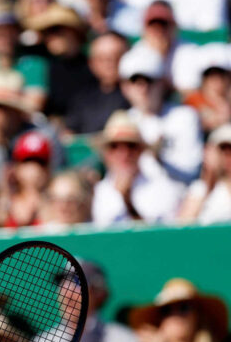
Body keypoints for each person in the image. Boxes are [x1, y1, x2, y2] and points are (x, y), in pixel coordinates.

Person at [119, 46, 203, 184]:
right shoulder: (122, 122)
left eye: (149, 81)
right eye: (135, 82)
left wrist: (158, 158)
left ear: (162, 84)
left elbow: (191, 173)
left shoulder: (185, 117)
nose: (143, 89)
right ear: (124, 87)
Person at [92, 111, 184, 226]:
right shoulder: (96, 192)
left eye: (131, 146)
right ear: (105, 153)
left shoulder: (163, 190)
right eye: (114, 146)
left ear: (141, 150)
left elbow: (155, 235)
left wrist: (127, 202)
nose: (123, 154)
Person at [128, 278, 231, 342]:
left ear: (198, 317)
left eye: (184, 308)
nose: (175, 315)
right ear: (159, 320)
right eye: (166, 310)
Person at [65, 31, 130, 134]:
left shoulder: (141, 91)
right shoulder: (82, 98)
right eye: (102, 59)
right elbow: (69, 134)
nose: (110, 63)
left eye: (117, 56)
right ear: (91, 63)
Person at [177, 124, 231, 225]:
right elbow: (183, 225)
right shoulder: (199, 188)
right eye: (223, 151)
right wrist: (209, 178)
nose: (228, 157)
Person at [0, 131, 52, 228]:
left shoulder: (55, 200)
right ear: (17, 168)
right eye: (27, 161)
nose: (34, 168)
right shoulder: (6, 201)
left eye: (40, 162)